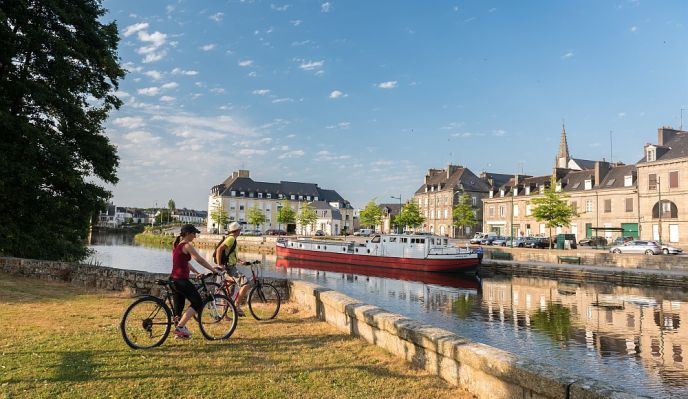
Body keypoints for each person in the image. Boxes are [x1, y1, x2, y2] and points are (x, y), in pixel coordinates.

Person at [171, 224, 223, 339]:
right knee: (198, 302)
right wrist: (214, 270)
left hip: (174, 279)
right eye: (194, 233)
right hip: (181, 280)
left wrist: (195, 272)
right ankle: (180, 328)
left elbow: (185, 263)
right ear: (188, 233)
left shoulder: (177, 245)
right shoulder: (187, 245)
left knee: (178, 309)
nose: (195, 236)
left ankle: (180, 333)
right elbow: (200, 259)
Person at [215, 221, 250, 317]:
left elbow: (229, 254)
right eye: (239, 230)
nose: (240, 231)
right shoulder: (231, 239)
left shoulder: (231, 239)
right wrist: (219, 265)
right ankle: (237, 305)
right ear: (236, 230)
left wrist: (239, 260)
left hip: (229, 266)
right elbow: (219, 249)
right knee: (246, 284)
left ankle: (224, 315)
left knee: (228, 290)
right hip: (230, 268)